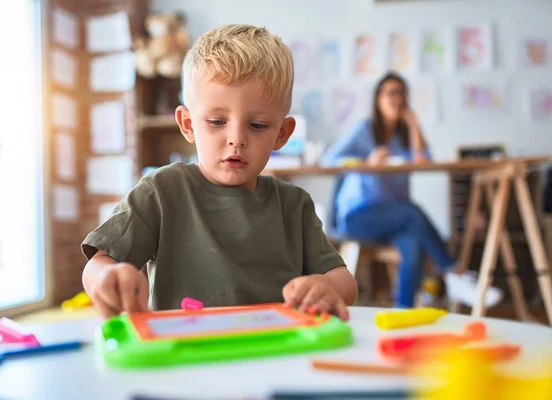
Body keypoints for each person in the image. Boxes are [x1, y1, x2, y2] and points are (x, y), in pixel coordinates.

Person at [81, 24, 357, 321]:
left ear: (282, 133)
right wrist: (106, 279)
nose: (236, 138)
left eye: (258, 125)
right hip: (185, 353)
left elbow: (345, 281)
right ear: (188, 124)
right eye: (216, 121)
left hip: (274, 352)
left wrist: (327, 286)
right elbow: (98, 263)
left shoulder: (293, 205)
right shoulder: (161, 190)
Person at [320, 72, 502, 309]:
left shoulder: (404, 134)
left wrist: (414, 123)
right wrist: (366, 161)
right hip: (358, 217)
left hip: (396, 219)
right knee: (411, 211)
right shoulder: (365, 130)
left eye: (402, 93)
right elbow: (328, 160)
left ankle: (403, 311)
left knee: (414, 247)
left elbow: (424, 160)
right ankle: (452, 272)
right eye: (390, 93)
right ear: (378, 99)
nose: (397, 98)